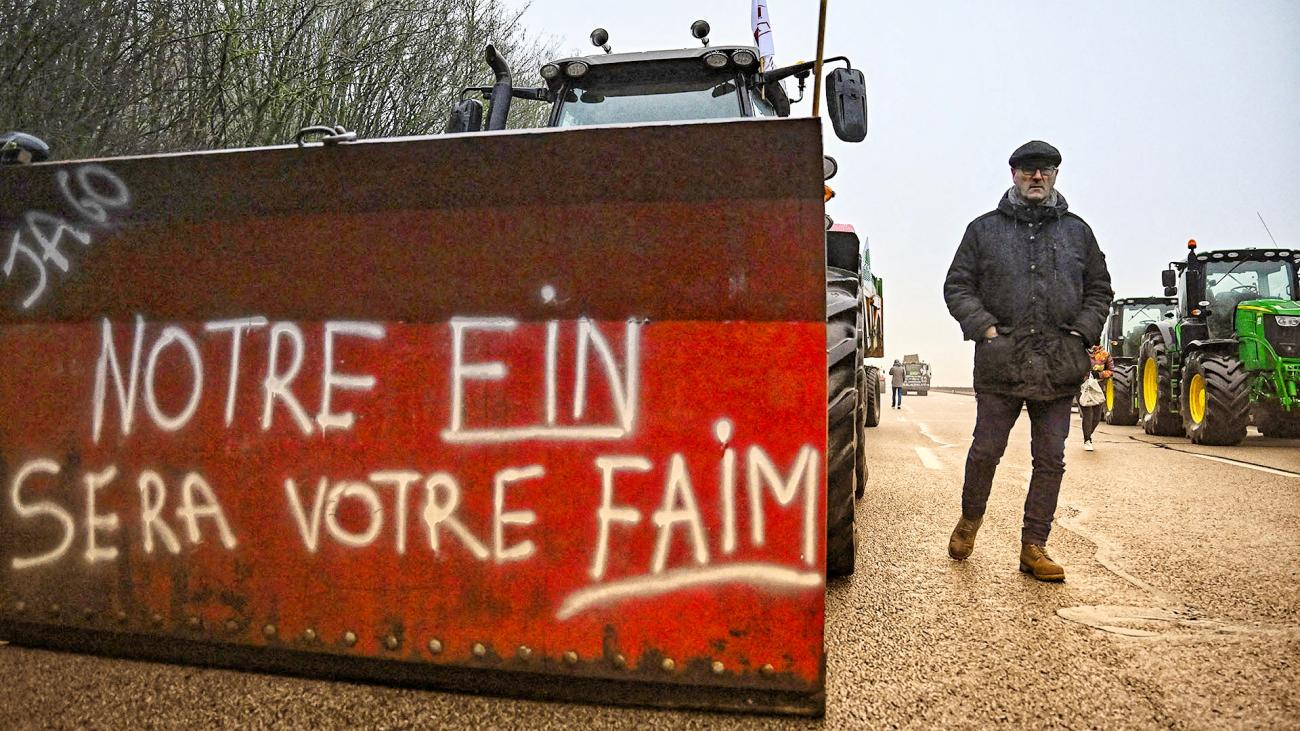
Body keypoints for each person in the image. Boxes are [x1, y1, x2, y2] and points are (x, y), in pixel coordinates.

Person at [942, 140, 1113, 582]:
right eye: (1028, 170)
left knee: (1050, 460)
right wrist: (986, 330)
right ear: (1013, 173)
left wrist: (1081, 333)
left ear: (1056, 174)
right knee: (985, 451)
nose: (1036, 177)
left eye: (1045, 170)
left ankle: (1033, 546)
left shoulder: (1078, 232)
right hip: (1002, 365)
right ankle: (970, 518)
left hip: (1058, 367)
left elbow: (1099, 290)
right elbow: (958, 286)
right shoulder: (983, 230)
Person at [1079, 345, 1114, 451]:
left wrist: (1099, 374)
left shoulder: (1105, 355)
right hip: (1082, 387)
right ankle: (1087, 440)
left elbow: (1111, 370)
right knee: (1088, 414)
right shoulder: (1080, 352)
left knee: (1097, 417)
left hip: (1097, 388)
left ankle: (1088, 434)